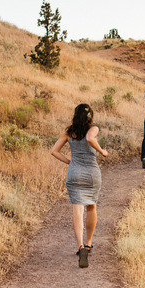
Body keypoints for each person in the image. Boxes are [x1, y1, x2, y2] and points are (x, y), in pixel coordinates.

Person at [50, 103, 109, 268]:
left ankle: (80, 246)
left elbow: (54, 151)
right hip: (91, 174)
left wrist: (71, 162)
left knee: (77, 209)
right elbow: (90, 139)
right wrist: (102, 151)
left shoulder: (69, 132)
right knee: (91, 207)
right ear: (90, 116)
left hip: (74, 173)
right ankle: (89, 243)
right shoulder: (93, 129)